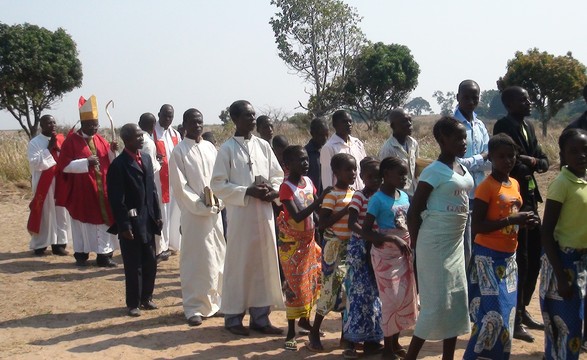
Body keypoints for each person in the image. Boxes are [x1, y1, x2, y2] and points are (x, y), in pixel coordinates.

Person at [211, 100, 284, 336]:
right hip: (241, 217)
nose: (253, 119)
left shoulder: (263, 146)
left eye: (254, 115)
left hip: (263, 216)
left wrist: (273, 191)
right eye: (247, 116)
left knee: (263, 265)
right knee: (240, 265)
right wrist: (246, 191)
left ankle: (260, 318)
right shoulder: (227, 149)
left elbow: (278, 174)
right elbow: (218, 184)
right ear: (235, 119)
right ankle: (233, 317)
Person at [463, 134, 537, 359]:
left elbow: (510, 216)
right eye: (501, 156)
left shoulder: (513, 183)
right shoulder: (486, 187)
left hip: (509, 257)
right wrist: (511, 221)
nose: (507, 160)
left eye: (511, 155)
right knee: (491, 315)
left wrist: (523, 223)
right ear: (491, 158)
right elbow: (478, 226)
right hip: (488, 257)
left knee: (506, 316)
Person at [405, 116, 473, 360]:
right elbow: (413, 214)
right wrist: (415, 248)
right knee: (434, 305)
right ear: (442, 139)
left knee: (455, 301)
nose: (463, 142)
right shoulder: (433, 172)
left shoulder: (461, 167)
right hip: (434, 246)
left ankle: (448, 358)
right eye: (458, 137)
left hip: (455, 244)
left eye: (464, 137)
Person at [493, 86, 549, 342]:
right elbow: (515, 160)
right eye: (523, 99)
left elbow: (544, 161)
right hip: (513, 198)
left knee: (535, 255)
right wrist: (531, 160)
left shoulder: (530, 127)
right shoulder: (503, 125)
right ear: (510, 103)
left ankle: (524, 308)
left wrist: (533, 160)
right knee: (522, 257)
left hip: (530, 196)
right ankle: (514, 317)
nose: (529, 103)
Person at [169, 109, 226, 327]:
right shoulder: (179, 151)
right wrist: (201, 205)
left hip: (215, 214)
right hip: (195, 216)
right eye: (193, 122)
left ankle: (215, 303)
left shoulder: (210, 147)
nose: (198, 125)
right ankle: (193, 307)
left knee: (217, 257)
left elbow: (220, 177)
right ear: (184, 124)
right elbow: (180, 186)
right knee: (196, 260)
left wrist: (219, 200)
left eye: (201, 122)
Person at [363, 156, 418, 360]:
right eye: (400, 174)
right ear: (386, 175)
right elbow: (367, 231)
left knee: (404, 299)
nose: (405, 178)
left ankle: (394, 344)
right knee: (391, 301)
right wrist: (392, 239)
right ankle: (386, 350)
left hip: (403, 255)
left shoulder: (404, 196)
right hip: (386, 257)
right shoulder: (377, 199)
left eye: (406, 173)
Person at [540, 128, 587, 360]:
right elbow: (546, 232)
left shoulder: (584, 180)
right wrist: (560, 276)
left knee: (577, 329)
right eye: (574, 151)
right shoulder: (562, 184)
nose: (581, 155)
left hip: (583, 262)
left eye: (585, 150)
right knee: (565, 330)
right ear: (563, 154)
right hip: (564, 262)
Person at [56, 95, 119, 267]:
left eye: (96, 124)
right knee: (82, 224)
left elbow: (109, 160)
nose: (93, 128)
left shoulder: (100, 139)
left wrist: (113, 151)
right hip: (81, 191)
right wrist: (85, 163)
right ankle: (81, 253)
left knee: (103, 222)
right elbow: (64, 166)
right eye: (90, 124)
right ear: (82, 124)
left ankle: (104, 255)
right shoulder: (71, 141)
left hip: (101, 189)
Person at [107, 123, 162, 317]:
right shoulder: (119, 165)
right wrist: (124, 225)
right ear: (126, 139)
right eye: (138, 136)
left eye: (142, 136)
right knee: (133, 264)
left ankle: (147, 297)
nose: (142, 139)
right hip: (131, 222)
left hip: (148, 220)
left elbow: (152, 190)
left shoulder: (146, 159)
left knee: (150, 261)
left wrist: (158, 215)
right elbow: (117, 199)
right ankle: (133, 303)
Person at [277, 145, 328, 351]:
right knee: (294, 286)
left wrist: (324, 221)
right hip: (292, 244)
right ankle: (290, 331)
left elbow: (315, 211)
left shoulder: (308, 182)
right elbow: (298, 215)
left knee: (311, 281)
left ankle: (304, 321)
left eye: (307, 159)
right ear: (288, 166)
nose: (306, 163)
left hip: (308, 240)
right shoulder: (286, 188)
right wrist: (321, 202)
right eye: (301, 160)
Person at [307, 153, 356, 352]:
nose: (353, 173)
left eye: (354, 169)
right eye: (348, 170)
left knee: (348, 292)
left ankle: (346, 336)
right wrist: (345, 211)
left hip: (350, 248)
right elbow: (323, 223)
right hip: (334, 249)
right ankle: (314, 331)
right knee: (329, 290)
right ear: (336, 173)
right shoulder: (332, 195)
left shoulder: (354, 193)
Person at [342, 157, 384, 358]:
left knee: (374, 295)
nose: (375, 180)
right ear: (362, 177)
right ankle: (350, 341)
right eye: (370, 177)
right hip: (360, 248)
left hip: (376, 247)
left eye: (378, 177)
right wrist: (369, 237)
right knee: (357, 295)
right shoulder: (359, 196)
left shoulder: (381, 197)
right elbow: (352, 223)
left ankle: (372, 341)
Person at [454, 80, 492, 266]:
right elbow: (456, 164)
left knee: (479, 243)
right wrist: (481, 158)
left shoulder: (480, 125)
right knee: (464, 249)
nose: (470, 101)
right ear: (457, 97)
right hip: (461, 194)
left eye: (474, 97)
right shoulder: (452, 125)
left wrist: (476, 161)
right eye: (466, 97)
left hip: (481, 194)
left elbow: (491, 161)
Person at [27, 114, 69, 256]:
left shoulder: (61, 140)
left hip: (60, 181)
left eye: (54, 122)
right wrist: (49, 148)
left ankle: (59, 244)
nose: (52, 125)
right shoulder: (35, 142)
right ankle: (40, 244)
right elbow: (35, 163)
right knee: (44, 212)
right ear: (42, 126)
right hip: (44, 183)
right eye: (49, 123)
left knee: (60, 213)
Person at [153, 104, 182, 261]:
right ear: (159, 114)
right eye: (165, 116)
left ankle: (172, 243)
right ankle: (160, 247)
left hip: (174, 180)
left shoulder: (175, 134)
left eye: (170, 116)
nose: (168, 119)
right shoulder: (153, 133)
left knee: (174, 213)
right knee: (161, 213)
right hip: (159, 181)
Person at [320, 110, 366, 191]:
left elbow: (365, 169)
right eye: (344, 121)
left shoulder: (357, 143)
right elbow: (327, 179)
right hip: (341, 197)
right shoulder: (328, 148)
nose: (349, 124)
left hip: (361, 195)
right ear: (335, 125)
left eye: (350, 121)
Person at [379, 108, 419, 197]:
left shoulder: (413, 143)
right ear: (393, 126)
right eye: (404, 121)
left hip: (414, 194)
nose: (409, 124)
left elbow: (415, 168)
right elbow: (385, 177)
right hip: (398, 196)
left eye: (410, 120)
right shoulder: (388, 149)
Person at [305, 118, 329, 195]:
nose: (325, 138)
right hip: (313, 199)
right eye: (321, 135)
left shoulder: (329, 150)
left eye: (326, 134)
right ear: (312, 133)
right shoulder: (306, 153)